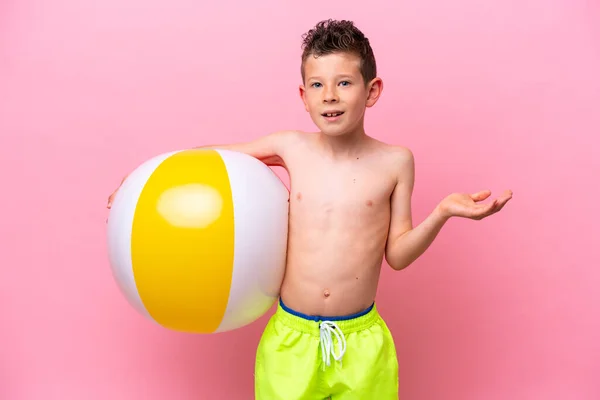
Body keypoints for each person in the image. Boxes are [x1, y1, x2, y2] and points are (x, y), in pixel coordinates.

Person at [107, 19, 512, 400]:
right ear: (303, 96)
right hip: (291, 337)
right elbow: (212, 158)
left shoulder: (395, 161)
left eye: (344, 83)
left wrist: (442, 212)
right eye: (317, 84)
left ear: (372, 90)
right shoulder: (291, 148)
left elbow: (398, 255)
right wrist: (145, 178)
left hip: (361, 341)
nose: (329, 95)